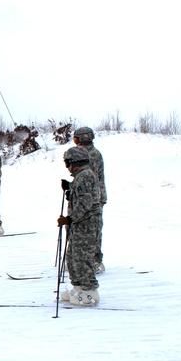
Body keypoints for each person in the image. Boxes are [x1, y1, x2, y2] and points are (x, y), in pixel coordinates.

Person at [56, 147, 102, 306]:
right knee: (73, 256)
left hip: (86, 224)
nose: (67, 166)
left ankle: (89, 290)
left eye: (68, 162)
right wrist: (71, 190)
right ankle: (78, 286)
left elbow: (86, 204)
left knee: (83, 257)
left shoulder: (85, 176)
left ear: (75, 161)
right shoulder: (81, 177)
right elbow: (82, 196)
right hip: (79, 224)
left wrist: (69, 218)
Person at [73, 127, 106, 273]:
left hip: (93, 198)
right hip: (91, 197)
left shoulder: (91, 155)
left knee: (93, 231)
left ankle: (95, 261)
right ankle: (83, 260)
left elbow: (87, 179)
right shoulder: (88, 153)